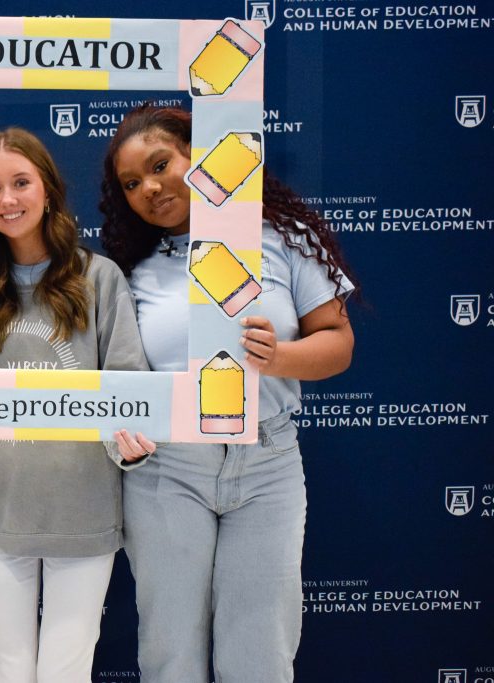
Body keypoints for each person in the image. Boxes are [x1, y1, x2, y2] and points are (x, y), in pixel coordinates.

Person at [100, 104, 355, 683]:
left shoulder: (285, 236)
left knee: (260, 650)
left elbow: (338, 343)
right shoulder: (128, 267)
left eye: (162, 164)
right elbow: (114, 378)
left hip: (267, 466)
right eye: (132, 183)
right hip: (168, 469)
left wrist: (280, 357)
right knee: (170, 650)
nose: (151, 189)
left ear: (202, 154)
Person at [0, 127, 149, 683]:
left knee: (68, 667)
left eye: (21, 183)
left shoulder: (99, 277)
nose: (8, 200)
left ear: (48, 189)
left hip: (83, 510)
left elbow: (127, 387)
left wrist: (132, 442)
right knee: (7, 666)